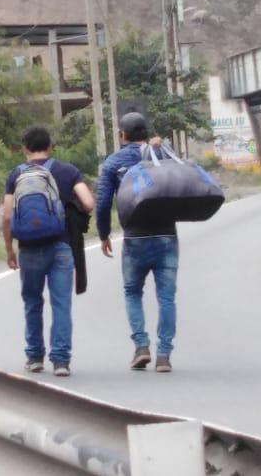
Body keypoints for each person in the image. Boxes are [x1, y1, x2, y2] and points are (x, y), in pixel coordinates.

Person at [3, 126, 95, 377]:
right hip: (61, 245)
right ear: (50, 147)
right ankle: (61, 360)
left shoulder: (16, 175)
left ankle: (34, 357)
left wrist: (9, 250)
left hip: (29, 249)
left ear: (25, 149)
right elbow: (88, 202)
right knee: (61, 303)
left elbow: (8, 216)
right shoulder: (67, 171)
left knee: (32, 302)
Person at [96, 113, 178, 373]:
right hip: (166, 235)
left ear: (122, 136)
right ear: (147, 133)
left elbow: (103, 202)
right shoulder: (162, 153)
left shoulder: (114, 162)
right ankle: (163, 355)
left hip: (134, 238)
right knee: (166, 297)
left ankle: (141, 346)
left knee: (133, 292)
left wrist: (103, 233)